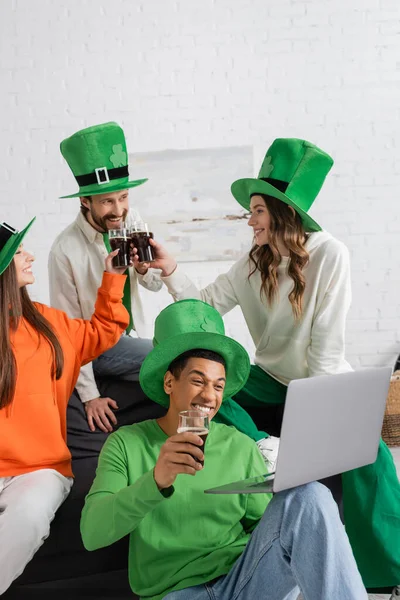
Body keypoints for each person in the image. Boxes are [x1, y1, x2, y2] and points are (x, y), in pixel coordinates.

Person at [144, 137, 400, 589]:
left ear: (283, 213)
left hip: (321, 380)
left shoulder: (329, 255)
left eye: (258, 209)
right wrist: (169, 269)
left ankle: (385, 577)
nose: (251, 219)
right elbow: (205, 304)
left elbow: (324, 348)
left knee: (373, 459)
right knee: (205, 394)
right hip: (271, 379)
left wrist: (316, 424)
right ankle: (265, 445)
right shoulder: (251, 262)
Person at [80, 299, 367, 600]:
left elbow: (269, 529)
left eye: (218, 386)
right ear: (169, 382)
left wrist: (294, 497)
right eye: (197, 381)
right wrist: (156, 480)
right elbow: (92, 533)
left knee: (311, 494)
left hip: (245, 582)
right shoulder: (126, 444)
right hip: (177, 593)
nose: (208, 395)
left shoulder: (239, 444)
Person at [0, 217, 131, 594]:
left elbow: (104, 330)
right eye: (18, 252)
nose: (30, 256)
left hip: (40, 469)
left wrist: (114, 276)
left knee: (28, 519)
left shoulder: (48, 324)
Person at [48, 121, 163, 435]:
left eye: (123, 198)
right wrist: (90, 395)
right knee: (167, 358)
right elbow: (68, 330)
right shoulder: (64, 250)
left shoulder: (131, 219)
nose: (119, 209)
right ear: (85, 201)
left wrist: (143, 269)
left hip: (131, 334)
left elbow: (154, 285)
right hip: (96, 347)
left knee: (177, 363)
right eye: (108, 202)